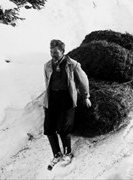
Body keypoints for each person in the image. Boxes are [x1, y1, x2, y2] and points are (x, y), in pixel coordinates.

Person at [43, 39, 91, 170]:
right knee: (48, 128)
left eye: (56, 52)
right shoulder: (47, 65)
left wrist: (86, 96)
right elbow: (47, 82)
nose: (53, 54)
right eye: (51, 51)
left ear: (63, 52)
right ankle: (56, 154)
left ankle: (67, 153)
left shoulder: (72, 64)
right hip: (52, 98)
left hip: (66, 98)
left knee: (64, 128)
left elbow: (83, 80)